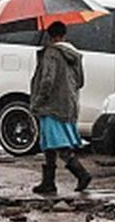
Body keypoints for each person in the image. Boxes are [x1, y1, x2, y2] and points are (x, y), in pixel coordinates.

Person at [28, 20, 91, 195]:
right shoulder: (74, 54)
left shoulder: (52, 53)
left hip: (51, 106)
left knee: (59, 144)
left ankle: (82, 174)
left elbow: (47, 80)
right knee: (48, 143)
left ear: (50, 36)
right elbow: (80, 82)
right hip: (68, 104)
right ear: (64, 35)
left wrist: (38, 101)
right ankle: (48, 182)